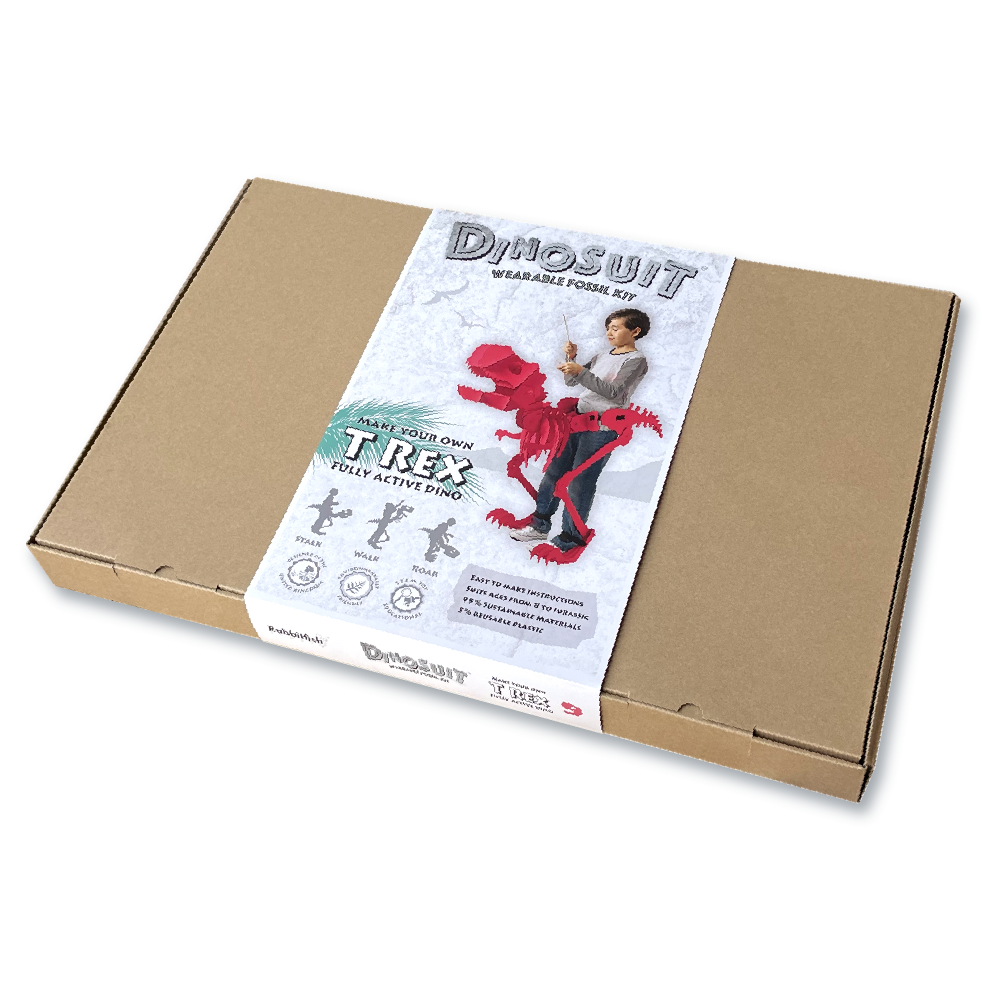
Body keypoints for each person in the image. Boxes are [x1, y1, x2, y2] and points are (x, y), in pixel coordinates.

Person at [510, 308, 650, 554]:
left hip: (602, 428)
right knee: (554, 473)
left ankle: (569, 541)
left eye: (615, 328)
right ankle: (539, 525)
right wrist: (572, 360)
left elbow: (613, 392)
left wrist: (580, 371)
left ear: (635, 331)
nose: (609, 333)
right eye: (608, 328)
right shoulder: (600, 355)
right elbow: (572, 382)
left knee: (579, 482)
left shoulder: (636, 360)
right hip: (575, 420)